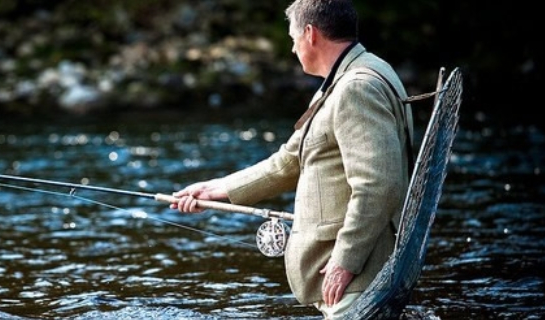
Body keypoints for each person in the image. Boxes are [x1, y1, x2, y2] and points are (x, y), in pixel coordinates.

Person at [170, 0, 413, 318]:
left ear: (310, 34)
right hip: (355, 280)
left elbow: (378, 184)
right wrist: (216, 189)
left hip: (357, 283)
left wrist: (346, 260)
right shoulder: (356, 75)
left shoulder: (355, 89)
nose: (293, 49)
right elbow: (289, 161)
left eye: (293, 38)